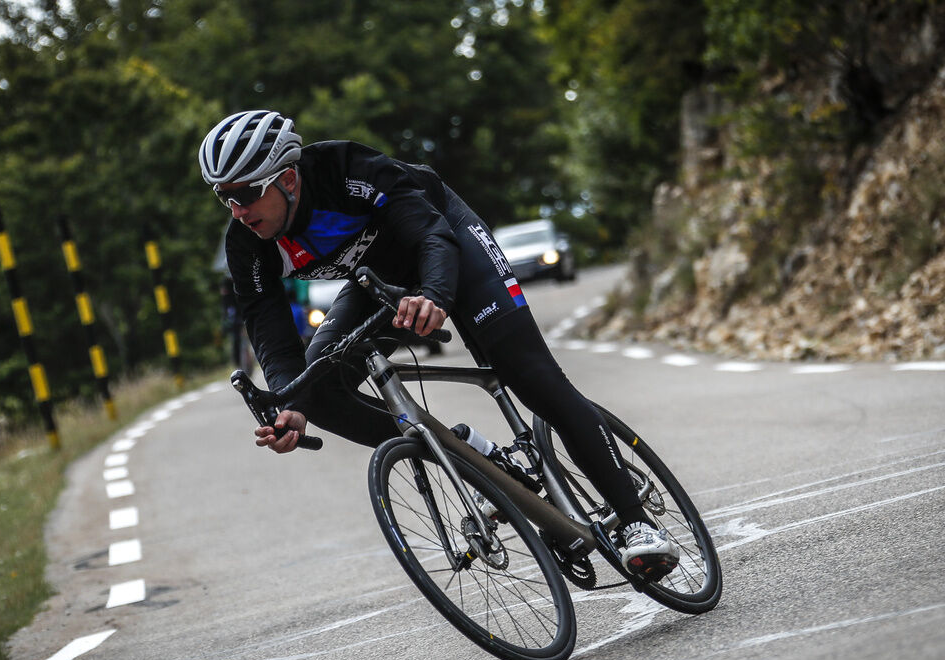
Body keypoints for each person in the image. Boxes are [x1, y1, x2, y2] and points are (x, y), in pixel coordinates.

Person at [199, 109, 679, 578]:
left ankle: (636, 522)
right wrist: (290, 403)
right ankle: (469, 458)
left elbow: (430, 233)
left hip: (446, 239)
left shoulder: (347, 170)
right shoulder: (247, 244)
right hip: (379, 280)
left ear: (287, 177)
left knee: (529, 376)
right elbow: (270, 330)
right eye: (226, 199)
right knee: (317, 387)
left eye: (246, 193)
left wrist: (434, 296)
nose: (239, 211)